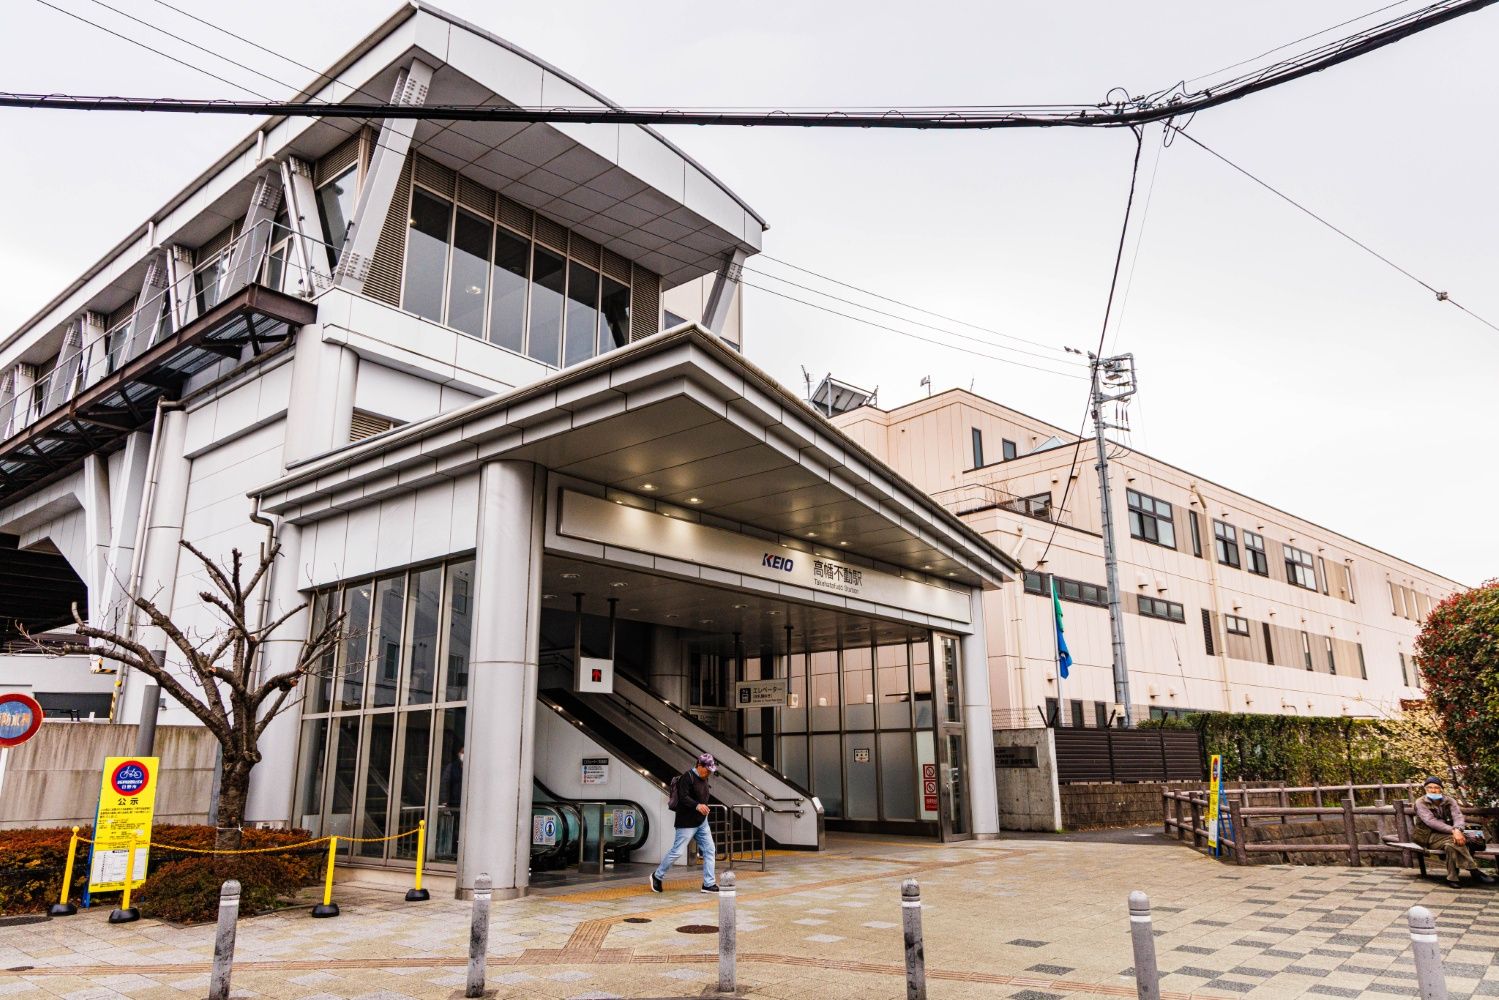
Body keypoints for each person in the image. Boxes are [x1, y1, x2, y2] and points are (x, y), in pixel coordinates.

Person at [650, 753, 718, 894]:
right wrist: (698, 806)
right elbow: (683, 797)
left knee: (710, 850)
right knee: (677, 852)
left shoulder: (704, 777)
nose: (709, 773)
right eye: (707, 770)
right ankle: (657, 876)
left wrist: (703, 807)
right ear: (699, 765)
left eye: (711, 770)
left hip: (701, 822)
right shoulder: (687, 777)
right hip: (687, 822)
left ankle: (708, 883)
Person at [1413, 776, 1494, 887]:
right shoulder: (1420, 802)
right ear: (1425, 789)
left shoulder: (1449, 800)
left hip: (1450, 834)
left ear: (1441, 789)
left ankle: (1452, 878)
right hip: (1428, 835)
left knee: (1451, 845)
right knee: (1456, 840)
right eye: (1429, 787)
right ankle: (1474, 870)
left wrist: (1458, 829)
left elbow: (1458, 816)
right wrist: (1454, 831)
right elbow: (1431, 821)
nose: (1432, 790)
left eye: (1436, 787)